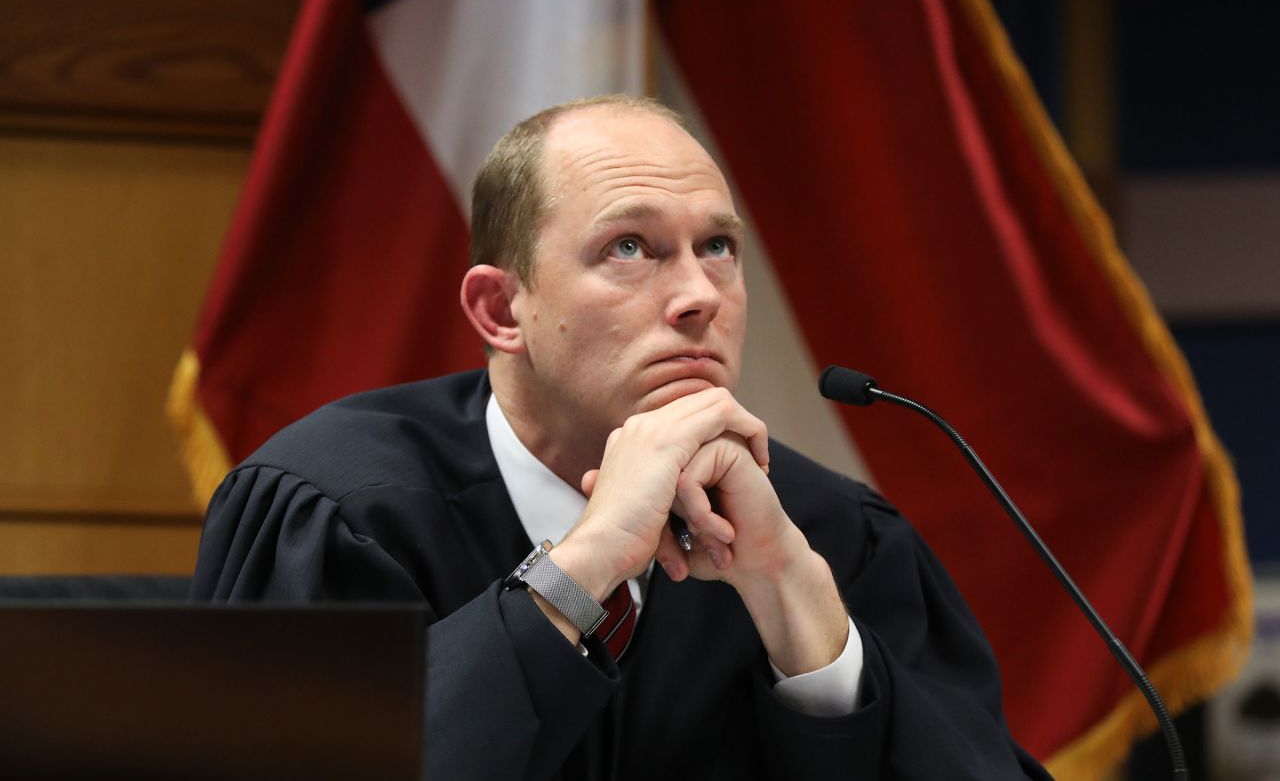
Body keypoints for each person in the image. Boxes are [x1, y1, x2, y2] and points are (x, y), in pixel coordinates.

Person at [191, 95, 1050, 780]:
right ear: (501, 309)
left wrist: (802, 610)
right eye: (631, 247)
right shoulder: (339, 509)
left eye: (718, 246)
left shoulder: (829, 534)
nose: (699, 296)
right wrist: (586, 563)